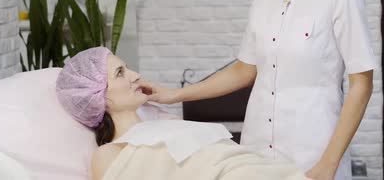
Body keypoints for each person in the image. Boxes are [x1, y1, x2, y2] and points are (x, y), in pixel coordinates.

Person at [146, 0, 377, 180]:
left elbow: (362, 84)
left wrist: (328, 164)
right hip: (256, 152)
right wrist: (172, 95)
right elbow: (244, 70)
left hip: (313, 153)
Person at [55, 47, 309, 180]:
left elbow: (223, 156)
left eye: (128, 68)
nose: (135, 76)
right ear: (98, 96)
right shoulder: (108, 154)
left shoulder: (170, 122)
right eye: (120, 73)